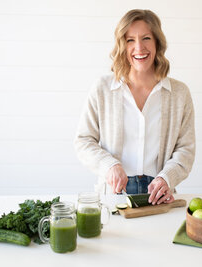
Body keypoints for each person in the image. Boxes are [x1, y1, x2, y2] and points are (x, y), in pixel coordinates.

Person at [74, 9, 195, 205]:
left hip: (159, 195)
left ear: (157, 43)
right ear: (122, 45)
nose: (139, 47)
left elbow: (186, 149)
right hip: (113, 194)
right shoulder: (103, 88)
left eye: (146, 38)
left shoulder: (179, 93)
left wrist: (167, 178)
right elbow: (83, 141)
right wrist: (109, 166)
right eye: (130, 40)